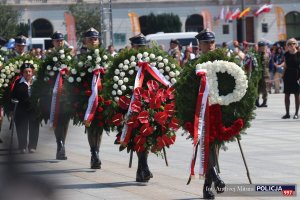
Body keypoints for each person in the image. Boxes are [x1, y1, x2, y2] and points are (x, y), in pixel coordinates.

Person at [195, 29, 225, 199]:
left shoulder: (223, 62)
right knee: (206, 147)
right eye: (206, 42)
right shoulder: (195, 64)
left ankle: (209, 183)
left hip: (218, 111)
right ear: (200, 45)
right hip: (202, 113)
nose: (210, 45)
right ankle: (213, 178)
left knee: (215, 148)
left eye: (212, 42)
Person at [128, 33, 153, 182]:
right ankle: (144, 167)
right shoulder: (127, 63)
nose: (141, 49)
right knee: (137, 137)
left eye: (143, 46)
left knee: (147, 135)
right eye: (139, 46)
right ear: (133, 47)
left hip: (148, 104)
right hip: (131, 105)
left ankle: (142, 168)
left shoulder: (152, 62)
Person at [80, 28, 103, 169]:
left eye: (95, 39)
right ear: (85, 41)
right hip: (86, 97)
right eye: (90, 39)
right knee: (90, 126)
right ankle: (93, 152)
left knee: (99, 127)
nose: (93, 41)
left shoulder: (104, 56)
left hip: (100, 96)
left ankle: (97, 153)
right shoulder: (81, 57)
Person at [10, 63, 40, 153]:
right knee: (21, 128)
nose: (28, 73)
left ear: (32, 72)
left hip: (34, 109)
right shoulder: (18, 82)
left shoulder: (37, 82)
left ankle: (32, 146)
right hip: (21, 109)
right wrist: (11, 110)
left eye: (30, 71)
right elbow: (13, 96)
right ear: (22, 73)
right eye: (26, 72)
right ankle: (22, 146)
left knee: (34, 128)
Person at [279, 38, 300, 119]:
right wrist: (282, 75)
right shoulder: (286, 54)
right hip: (287, 75)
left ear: (296, 45)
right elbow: (285, 66)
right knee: (287, 95)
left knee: (297, 95)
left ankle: (296, 113)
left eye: (293, 43)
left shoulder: (299, 53)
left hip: (297, 75)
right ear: (287, 46)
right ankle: (287, 113)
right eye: (290, 44)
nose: (292, 45)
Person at [256, 41, 270, 107]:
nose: (262, 48)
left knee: (265, 89)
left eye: (263, 47)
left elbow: (267, 65)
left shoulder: (266, 55)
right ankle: (256, 101)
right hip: (258, 74)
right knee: (257, 88)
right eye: (261, 47)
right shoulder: (256, 55)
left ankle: (264, 101)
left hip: (265, 74)